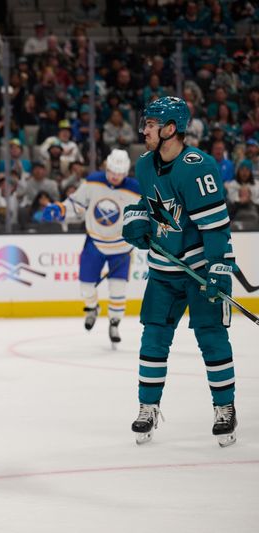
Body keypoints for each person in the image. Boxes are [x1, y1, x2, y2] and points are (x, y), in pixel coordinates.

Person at [121, 96, 238, 447]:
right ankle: (147, 407)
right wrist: (136, 220)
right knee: (153, 338)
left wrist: (218, 269)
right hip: (162, 271)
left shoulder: (197, 167)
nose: (145, 130)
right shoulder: (143, 165)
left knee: (211, 337)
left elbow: (216, 228)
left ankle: (225, 408)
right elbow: (149, 203)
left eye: (152, 125)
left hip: (197, 269)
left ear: (171, 129)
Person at [42, 149, 140, 344]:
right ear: (107, 167)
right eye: (112, 172)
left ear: (126, 172)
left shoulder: (135, 189)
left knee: (118, 288)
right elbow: (77, 204)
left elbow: (145, 214)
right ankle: (92, 307)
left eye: (120, 174)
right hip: (95, 243)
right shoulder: (93, 181)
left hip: (121, 247)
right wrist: (61, 210)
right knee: (86, 286)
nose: (115, 176)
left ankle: (114, 322)